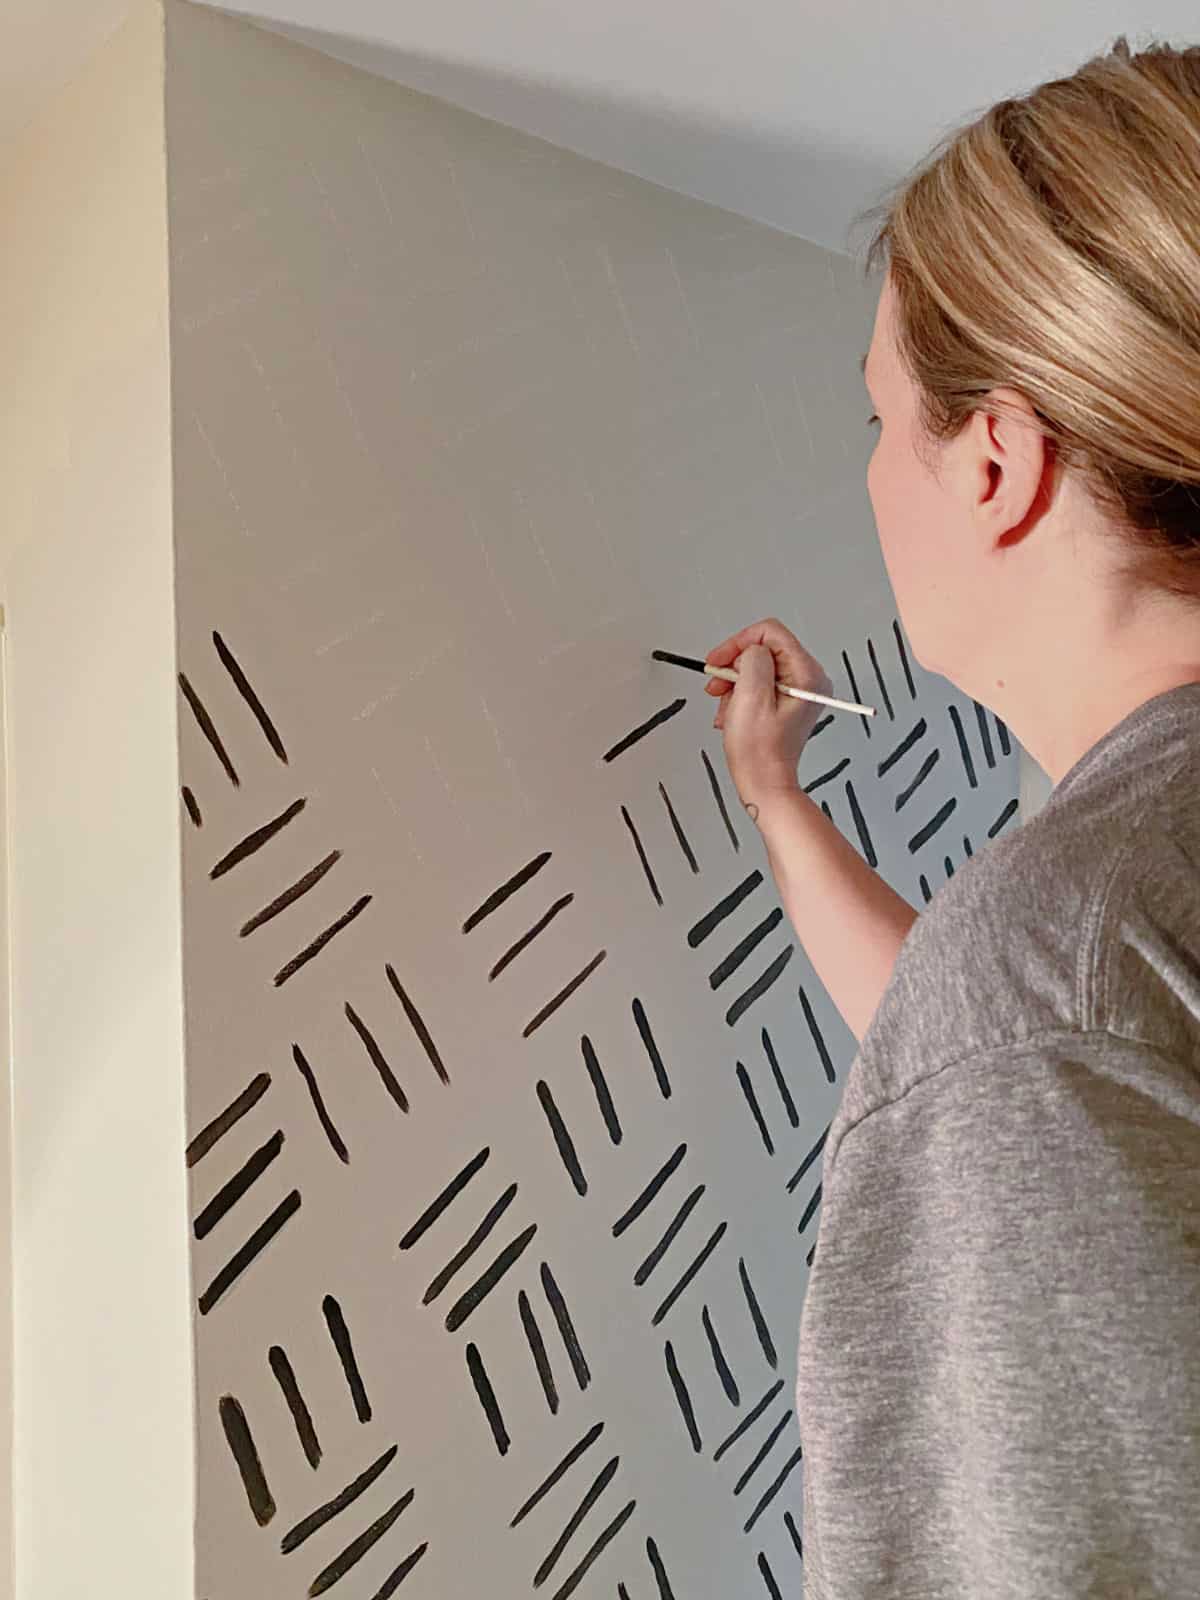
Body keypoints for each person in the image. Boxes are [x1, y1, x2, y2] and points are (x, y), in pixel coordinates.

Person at [704, 34, 1200, 1600]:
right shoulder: (1087, 950)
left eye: (875, 420)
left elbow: (1031, 1043)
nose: (870, 477)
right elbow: (1056, 1047)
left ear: (997, 465)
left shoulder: (1059, 965)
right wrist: (782, 803)